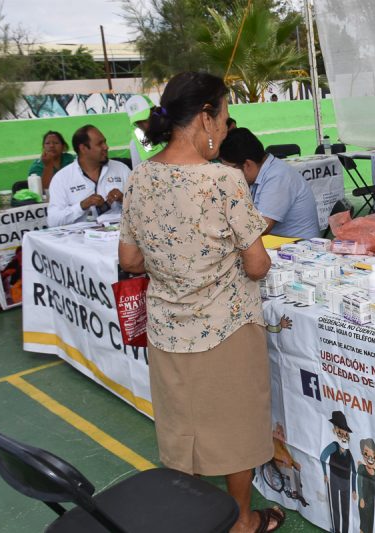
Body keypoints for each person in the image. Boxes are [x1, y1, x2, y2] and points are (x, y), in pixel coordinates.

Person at [117, 71, 282, 533]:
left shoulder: (140, 177)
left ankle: (187, 518)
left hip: (168, 329)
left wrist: (173, 262)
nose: (227, 129)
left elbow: (129, 259)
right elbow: (257, 266)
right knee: (236, 427)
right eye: (225, 118)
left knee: (181, 429)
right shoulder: (224, 181)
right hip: (226, 327)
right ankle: (242, 522)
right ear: (205, 118)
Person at [219, 127, 320, 239]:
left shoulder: (277, 175)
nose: (229, 176)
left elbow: (262, 226)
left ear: (248, 164)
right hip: (281, 244)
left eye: (231, 170)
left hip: (301, 248)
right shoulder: (262, 173)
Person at [47, 125, 130, 227]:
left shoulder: (121, 169)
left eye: (105, 142)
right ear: (83, 148)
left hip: (119, 238)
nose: (106, 147)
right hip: (78, 240)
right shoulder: (62, 178)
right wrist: (81, 206)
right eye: (100, 144)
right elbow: (53, 221)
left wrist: (124, 199)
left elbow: (145, 207)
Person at [125, 94, 164, 169]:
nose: (143, 125)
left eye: (146, 119)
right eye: (138, 122)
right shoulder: (135, 144)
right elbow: (138, 173)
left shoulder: (174, 131)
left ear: (155, 112)